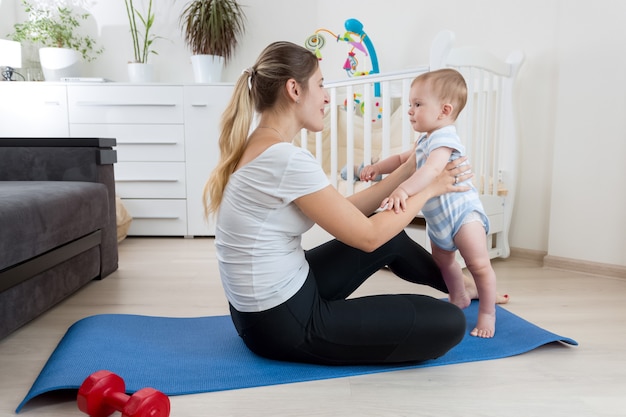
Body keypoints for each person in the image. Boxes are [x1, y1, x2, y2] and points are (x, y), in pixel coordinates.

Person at [203, 41, 478, 366]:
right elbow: (367, 236)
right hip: (282, 323)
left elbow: (344, 211)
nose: (326, 96)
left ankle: (462, 285)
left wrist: (409, 168)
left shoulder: (261, 145)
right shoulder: (285, 159)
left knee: (392, 235)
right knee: (449, 323)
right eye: (320, 84)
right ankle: (458, 293)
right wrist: (431, 189)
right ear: (294, 89)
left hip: (263, 308)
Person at [359, 68, 503, 338]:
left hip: (463, 216)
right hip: (439, 220)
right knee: (444, 261)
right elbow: (404, 160)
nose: (410, 110)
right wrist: (378, 167)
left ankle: (487, 312)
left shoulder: (445, 137)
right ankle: (458, 297)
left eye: (417, 104)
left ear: (444, 110)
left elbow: (432, 171)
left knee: (479, 265)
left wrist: (403, 189)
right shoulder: (425, 139)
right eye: (410, 104)